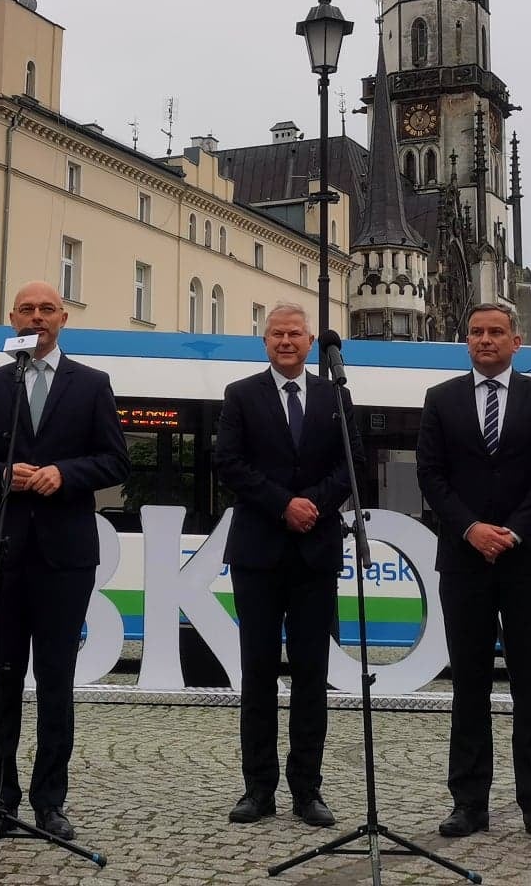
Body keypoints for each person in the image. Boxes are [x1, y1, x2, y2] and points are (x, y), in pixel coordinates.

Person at [0, 281, 129, 842]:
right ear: (12, 318)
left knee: (56, 683)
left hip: (65, 558)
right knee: (0, 684)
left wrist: (65, 474)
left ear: (63, 318)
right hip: (0, 554)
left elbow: (116, 461)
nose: (36, 317)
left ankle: (51, 802)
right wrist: (2, 475)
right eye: (26, 309)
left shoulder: (92, 385)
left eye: (46, 309)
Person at [416, 302, 531, 845]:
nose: (485, 340)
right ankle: (468, 802)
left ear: (516, 340)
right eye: (476, 332)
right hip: (464, 561)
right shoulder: (441, 400)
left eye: (496, 332)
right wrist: (471, 530)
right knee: (469, 685)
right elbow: (431, 476)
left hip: (528, 561)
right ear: (467, 340)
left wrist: (511, 532)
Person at [214, 303, 360, 829]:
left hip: (315, 553)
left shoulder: (334, 397)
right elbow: (229, 462)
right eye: (276, 333)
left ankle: (308, 789)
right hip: (258, 552)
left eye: (295, 333)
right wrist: (282, 504)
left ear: (310, 341)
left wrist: (313, 505)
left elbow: (351, 464)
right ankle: (258, 789)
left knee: (311, 675)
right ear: (265, 342)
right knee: (257, 674)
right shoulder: (242, 395)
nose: (286, 341)